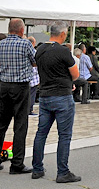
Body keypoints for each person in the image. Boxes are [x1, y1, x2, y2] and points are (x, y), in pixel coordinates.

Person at [31, 23, 82, 183]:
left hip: (45, 96)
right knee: (64, 135)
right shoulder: (63, 51)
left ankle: (37, 169)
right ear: (63, 34)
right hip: (62, 96)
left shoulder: (39, 50)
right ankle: (63, 172)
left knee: (41, 133)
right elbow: (75, 74)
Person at [0, 18, 36, 175]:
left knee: (1, 124)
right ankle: (17, 163)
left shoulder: (0, 44)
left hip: (5, 86)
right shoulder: (25, 43)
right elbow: (35, 61)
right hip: (21, 86)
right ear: (22, 30)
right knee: (20, 125)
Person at [28, 36, 40, 115]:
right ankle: (30, 110)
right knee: (32, 95)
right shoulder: (34, 52)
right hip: (34, 78)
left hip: (26, 78)